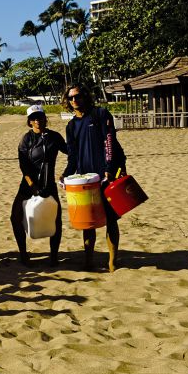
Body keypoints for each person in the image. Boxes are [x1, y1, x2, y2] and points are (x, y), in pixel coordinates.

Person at [62, 86, 127, 272]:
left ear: (85, 96)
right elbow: (72, 156)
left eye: (78, 96)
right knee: (87, 222)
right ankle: (88, 261)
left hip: (107, 174)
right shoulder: (71, 126)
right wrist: (66, 174)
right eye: (71, 97)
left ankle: (112, 261)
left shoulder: (100, 114)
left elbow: (109, 141)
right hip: (86, 179)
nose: (74, 100)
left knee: (111, 219)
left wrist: (108, 169)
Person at [10, 105, 66, 266]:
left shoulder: (54, 137)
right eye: (33, 118)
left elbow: (71, 151)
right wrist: (32, 186)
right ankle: (23, 254)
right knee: (15, 217)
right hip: (28, 184)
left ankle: (54, 256)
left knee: (56, 220)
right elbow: (23, 165)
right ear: (29, 122)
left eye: (40, 117)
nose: (37, 121)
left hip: (48, 184)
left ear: (45, 118)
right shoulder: (26, 139)